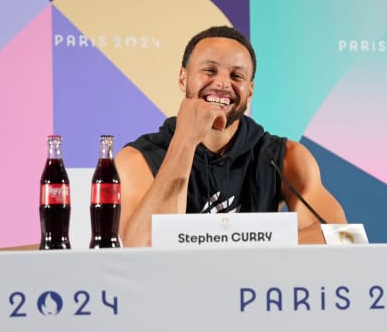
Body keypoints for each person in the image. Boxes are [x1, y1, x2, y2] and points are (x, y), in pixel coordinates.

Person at [116, 25, 346, 246]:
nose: (223, 83)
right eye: (209, 70)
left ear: (250, 91)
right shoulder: (137, 159)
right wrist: (185, 140)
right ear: (183, 78)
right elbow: (144, 246)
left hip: (254, 285)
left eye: (237, 76)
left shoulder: (284, 157)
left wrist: (236, 247)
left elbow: (342, 236)